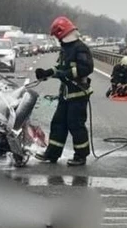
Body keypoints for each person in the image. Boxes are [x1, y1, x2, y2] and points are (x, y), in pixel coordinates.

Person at [34, 16, 93, 166]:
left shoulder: (80, 48)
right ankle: (52, 154)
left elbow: (86, 68)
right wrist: (47, 73)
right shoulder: (66, 48)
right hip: (66, 94)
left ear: (61, 33)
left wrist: (66, 74)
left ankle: (81, 156)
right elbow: (60, 68)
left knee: (76, 125)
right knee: (58, 123)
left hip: (78, 94)